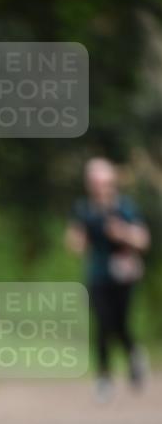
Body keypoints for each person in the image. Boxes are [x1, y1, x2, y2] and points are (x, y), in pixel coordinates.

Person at [65, 158, 150, 400]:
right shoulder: (84, 209)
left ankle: (133, 354)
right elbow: (74, 240)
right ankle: (104, 377)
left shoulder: (125, 207)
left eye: (103, 181)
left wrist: (122, 232)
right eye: (95, 182)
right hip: (97, 274)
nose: (99, 186)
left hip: (124, 275)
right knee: (102, 323)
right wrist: (77, 242)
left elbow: (143, 240)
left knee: (120, 323)